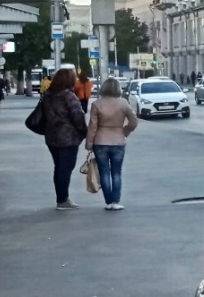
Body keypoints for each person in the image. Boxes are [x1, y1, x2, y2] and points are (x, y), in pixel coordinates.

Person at [86, 78, 139, 211]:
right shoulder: (123, 103)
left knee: (104, 172)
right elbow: (134, 121)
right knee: (116, 172)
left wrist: (89, 143)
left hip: (100, 141)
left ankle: (108, 201)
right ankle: (115, 201)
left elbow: (92, 126)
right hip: (118, 141)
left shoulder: (97, 104)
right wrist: (124, 132)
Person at [42, 69, 88, 211]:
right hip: (68, 137)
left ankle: (61, 198)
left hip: (51, 136)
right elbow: (77, 116)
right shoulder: (68, 96)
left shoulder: (48, 95)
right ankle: (62, 200)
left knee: (59, 167)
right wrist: (84, 132)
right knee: (65, 168)